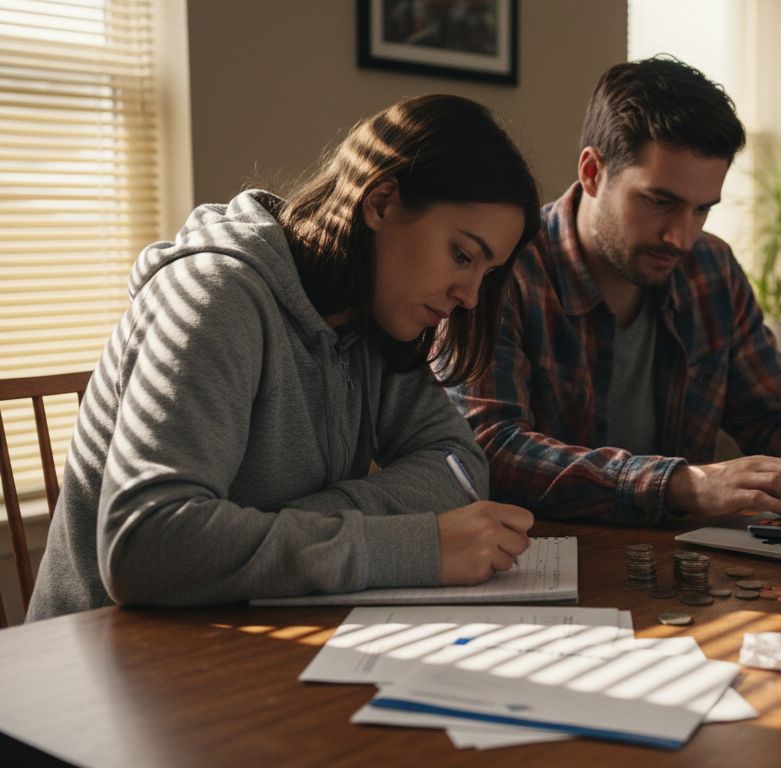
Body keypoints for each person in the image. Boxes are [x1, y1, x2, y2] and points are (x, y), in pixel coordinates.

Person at [28, 95, 541, 621]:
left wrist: (269, 527)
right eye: (462, 255)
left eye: (487, 272)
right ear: (382, 202)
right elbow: (146, 547)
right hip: (101, 660)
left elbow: (457, 469)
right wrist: (411, 546)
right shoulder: (213, 297)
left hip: (238, 639)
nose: (472, 297)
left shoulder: (376, 318)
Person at [450, 57, 781, 525]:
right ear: (592, 172)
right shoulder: (503, 271)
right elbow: (489, 449)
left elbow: (774, 407)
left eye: (702, 210)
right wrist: (685, 485)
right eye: (660, 202)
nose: (681, 238)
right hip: (539, 563)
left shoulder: (711, 269)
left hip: (681, 567)